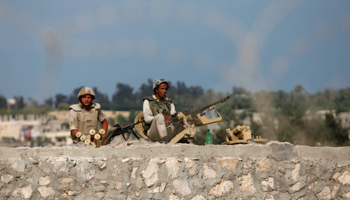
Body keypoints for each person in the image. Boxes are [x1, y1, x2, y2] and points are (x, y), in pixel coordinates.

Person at [143, 78, 180, 144]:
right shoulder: (148, 101)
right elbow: (147, 119)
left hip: (167, 130)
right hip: (154, 133)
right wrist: (162, 117)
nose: (164, 91)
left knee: (182, 118)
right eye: (162, 89)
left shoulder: (169, 102)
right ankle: (165, 141)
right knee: (160, 117)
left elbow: (173, 115)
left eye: (166, 89)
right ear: (156, 90)